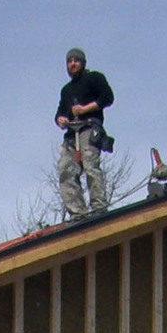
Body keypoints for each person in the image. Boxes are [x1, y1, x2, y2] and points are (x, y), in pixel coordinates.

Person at [55, 48, 114, 221]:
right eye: (69, 61)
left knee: (90, 167)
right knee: (65, 170)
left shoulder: (94, 78)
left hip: (89, 128)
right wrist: (61, 119)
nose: (72, 64)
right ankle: (77, 214)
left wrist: (85, 109)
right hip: (71, 134)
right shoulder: (66, 90)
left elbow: (107, 97)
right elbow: (59, 112)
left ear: (83, 63)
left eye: (76, 60)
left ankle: (98, 208)